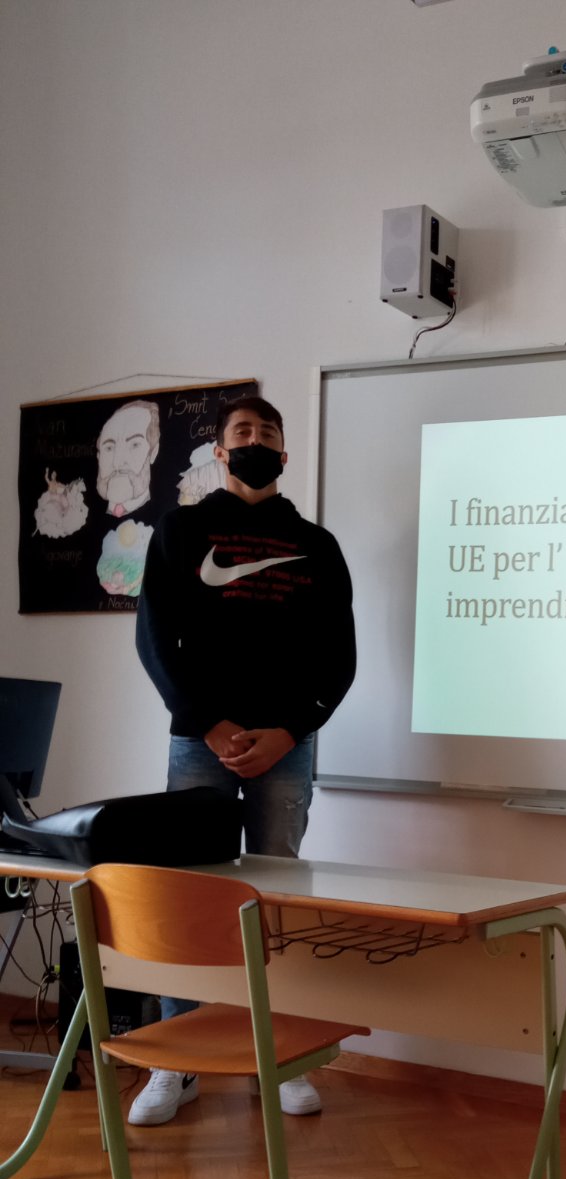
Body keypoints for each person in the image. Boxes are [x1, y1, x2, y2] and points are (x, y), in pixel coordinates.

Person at [131, 396, 356, 1124]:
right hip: (200, 741)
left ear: (284, 455)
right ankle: (175, 1061)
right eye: (241, 432)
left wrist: (289, 731)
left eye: (267, 433)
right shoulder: (181, 530)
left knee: (273, 900)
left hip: (285, 748)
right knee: (188, 900)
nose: (254, 441)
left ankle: (277, 1058)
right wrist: (212, 725)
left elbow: (339, 660)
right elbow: (154, 640)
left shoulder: (317, 545)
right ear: (221, 453)